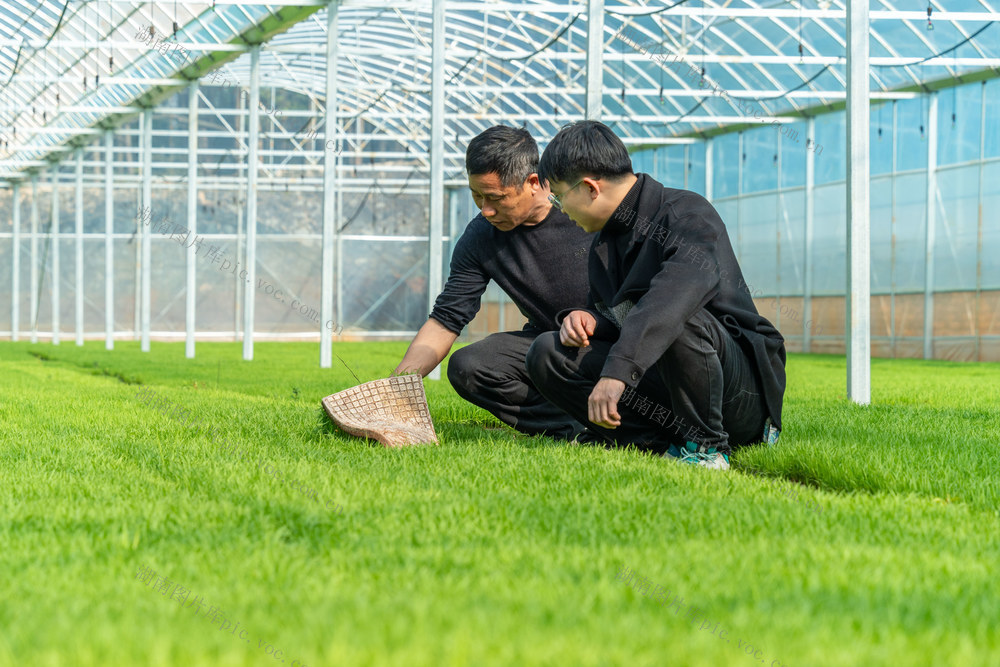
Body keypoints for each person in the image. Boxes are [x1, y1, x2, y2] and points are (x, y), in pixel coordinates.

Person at [525, 121, 785, 469]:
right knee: (548, 351)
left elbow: (673, 299)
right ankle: (654, 445)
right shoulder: (602, 246)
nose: (559, 208)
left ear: (589, 188)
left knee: (676, 313)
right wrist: (590, 320)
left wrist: (618, 372)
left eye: (558, 196)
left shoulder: (686, 213)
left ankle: (706, 450)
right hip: (670, 390)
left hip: (737, 398)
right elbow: (619, 319)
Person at [392, 125, 593, 440]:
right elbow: (447, 318)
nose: (485, 210)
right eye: (477, 195)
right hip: (547, 347)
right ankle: (576, 428)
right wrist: (397, 386)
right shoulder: (481, 237)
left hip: (610, 344)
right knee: (470, 365)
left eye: (496, 198)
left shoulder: (585, 214)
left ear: (533, 182)